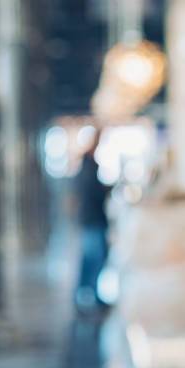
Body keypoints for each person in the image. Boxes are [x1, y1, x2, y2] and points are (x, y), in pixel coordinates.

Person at [74, 128, 110, 314]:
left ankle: (88, 295)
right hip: (92, 218)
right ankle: (86, 296)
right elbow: (91, 193)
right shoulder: (88, 164)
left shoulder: (88, 163)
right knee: (93, 258)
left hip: (92, 217)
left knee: (93, 258)